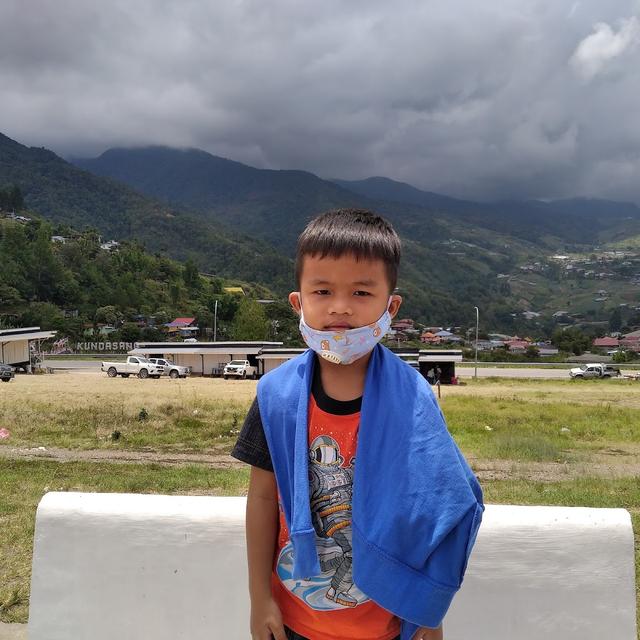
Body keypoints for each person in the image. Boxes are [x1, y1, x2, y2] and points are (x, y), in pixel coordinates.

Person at [232, 209, 483, 640]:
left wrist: (428, 612)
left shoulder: (415, 400)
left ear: (392, 305)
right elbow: (261, 500)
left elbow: (436, 511)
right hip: (296, 621)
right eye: (323, 290)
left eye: (362, 293)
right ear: (299, 302)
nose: (341, 307)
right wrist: (260, 599)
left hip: (387, 623)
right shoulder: (275, 397)